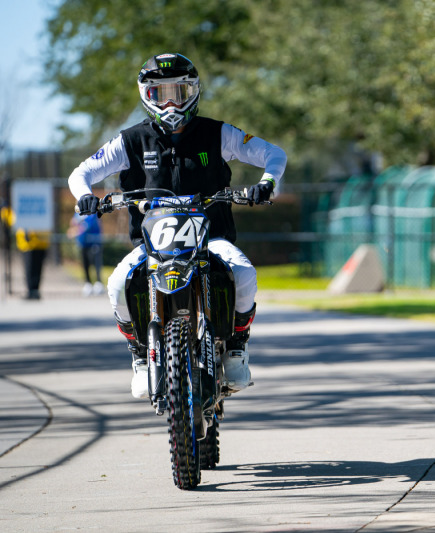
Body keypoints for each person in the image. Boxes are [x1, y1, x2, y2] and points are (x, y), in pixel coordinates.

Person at [68, 53, 287, 399]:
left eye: (179, 92)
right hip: (152, 245)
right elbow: (80, 174)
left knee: (243, 273)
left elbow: (274, 154)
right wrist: (85, 197)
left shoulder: (219, 134)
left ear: (194, 92)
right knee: (116, 285)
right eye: (159, 94)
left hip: (211, 238)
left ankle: (236, 349)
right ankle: (141, 357)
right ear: (145, 95)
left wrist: (267, 183)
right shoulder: (130, 141)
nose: (170, 102)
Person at [68, 212, 104, 296]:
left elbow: (88, 225)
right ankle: (88, 283)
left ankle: (98, 282)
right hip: (83, 242)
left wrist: (75, 231)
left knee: (96, 263)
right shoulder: (77, 213)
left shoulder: (92, 212)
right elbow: (74, 222)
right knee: (85, 263)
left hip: (94, 241)